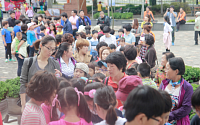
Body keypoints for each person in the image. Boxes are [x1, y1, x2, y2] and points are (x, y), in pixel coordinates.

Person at [20, 35, 62, 112]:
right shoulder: (29, 62)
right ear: (41, 45)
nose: (51, 52)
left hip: (48, 105)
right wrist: (23, 104)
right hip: (31, 103)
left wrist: (59, 78)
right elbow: (23, 83)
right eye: (49, 48)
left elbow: (56, 86)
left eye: (53, 49)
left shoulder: (55, 63)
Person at [159, 57, 193, 125]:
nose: (165, 70)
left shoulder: (187, 87)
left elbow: (186, 109)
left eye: (168, 69)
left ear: (176, 71)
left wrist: (167, 116)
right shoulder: (164, 84)